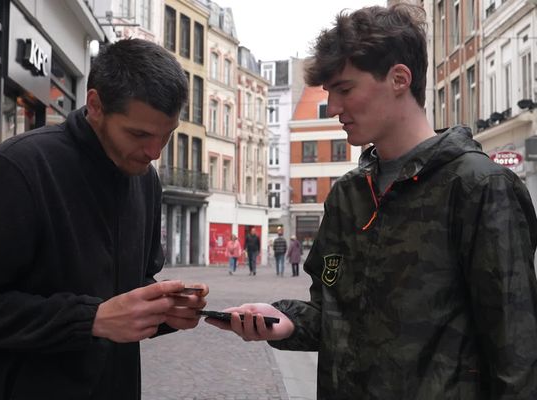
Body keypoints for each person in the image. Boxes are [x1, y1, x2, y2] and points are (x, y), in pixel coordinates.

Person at [205, 4, 537, 399]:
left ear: (399, 79)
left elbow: (516, 356)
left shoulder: (478, 187)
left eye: (344, 89)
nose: (334, 108)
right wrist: (285, 321)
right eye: (329, 93)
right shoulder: (348, 195)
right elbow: (332, 314)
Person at [0, 38, 209, 400]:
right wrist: (90, 319)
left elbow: (127, 290)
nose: (154, 152)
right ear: (95, 105)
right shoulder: (18, 169)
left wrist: (163, 309)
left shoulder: (145, 180)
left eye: (167, 136)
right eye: (139, 134)